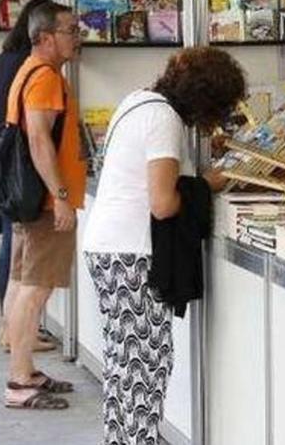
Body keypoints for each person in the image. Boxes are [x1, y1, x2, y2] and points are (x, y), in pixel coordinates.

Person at [80, 47, 243, 441]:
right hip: (134, 254)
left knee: (124, 363)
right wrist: (211, 184)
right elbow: (164, 202)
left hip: (110, 246)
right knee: (145, 366)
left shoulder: (138, 101)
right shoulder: (163, 119)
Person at [2, 2, 85, 410]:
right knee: (35, 290)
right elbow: (38, 140)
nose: (77, 36)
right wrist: (62, 197)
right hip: (45, 203)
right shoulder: (46, 78)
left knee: (22, 284)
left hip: (30, 199)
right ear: (45, 37)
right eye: (70, 30)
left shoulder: (29, 72)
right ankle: (19, 381)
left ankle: (24, 370)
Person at [0, 0, 58, 352]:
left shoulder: (7, 62)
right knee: (26, 267)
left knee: (15, 258)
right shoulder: (35, 70)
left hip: (7, 168)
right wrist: (58, 195)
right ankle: (17, 340)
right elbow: (39, 134)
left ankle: (11, 331)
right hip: (24, 174)